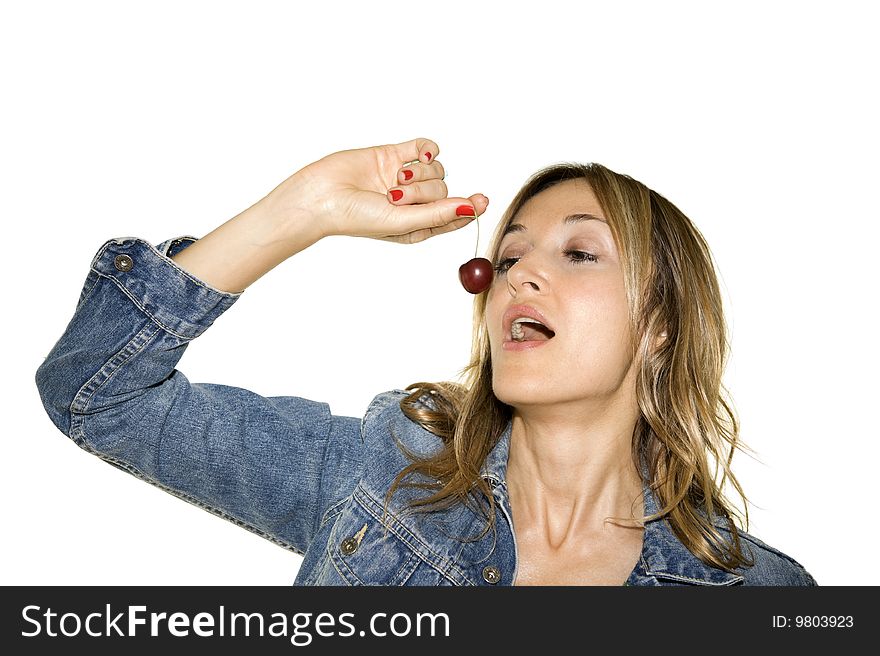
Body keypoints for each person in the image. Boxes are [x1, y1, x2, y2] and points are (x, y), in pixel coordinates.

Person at [35, 137, 816, 586]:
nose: (519, 274)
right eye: (508, 257)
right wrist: (302, 209)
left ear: (661, 329)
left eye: (579, 252)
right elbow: (99, 396)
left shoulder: (756, 593)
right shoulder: (386, 471)